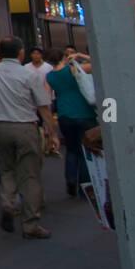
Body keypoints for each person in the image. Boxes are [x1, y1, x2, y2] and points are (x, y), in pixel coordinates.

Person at [0, 36, 58, 239]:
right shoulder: (29, 75)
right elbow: (43, 107)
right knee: (30, 175)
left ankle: (8, 203)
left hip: (0, 127)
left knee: (6, 170)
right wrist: (52, 131)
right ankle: (31, 223)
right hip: (25, 126)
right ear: (21, 53)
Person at [45, 51, 96, 198]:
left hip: (64, 114)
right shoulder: (74, 69)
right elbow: (97, 65)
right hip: (84, 113)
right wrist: (82, 56)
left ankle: (71, 179)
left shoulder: (49, 76)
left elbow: (47, 100)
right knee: (86, 151)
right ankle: (85, 186)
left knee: (72, 149)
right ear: (63, 58)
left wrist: (50, 125)